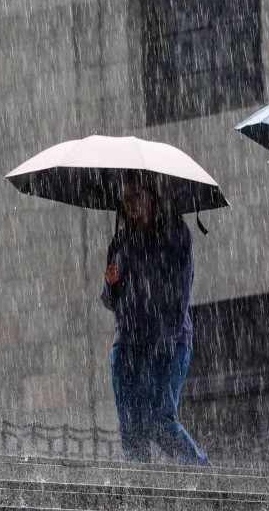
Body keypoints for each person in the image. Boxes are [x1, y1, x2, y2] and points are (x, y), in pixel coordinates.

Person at [101, 173, 209, 465]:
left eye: (136, 197)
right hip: (127, 342)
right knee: (131, 426)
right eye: (125, 200)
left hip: (168, 339)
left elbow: (180, 293)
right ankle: (143, 493)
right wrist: (111, 283)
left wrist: (164, 341)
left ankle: (204, 473)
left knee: (159, 418)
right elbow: (110, 301)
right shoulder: (121, 240)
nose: (131, 206)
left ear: (152, 197)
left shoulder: (176, 234)